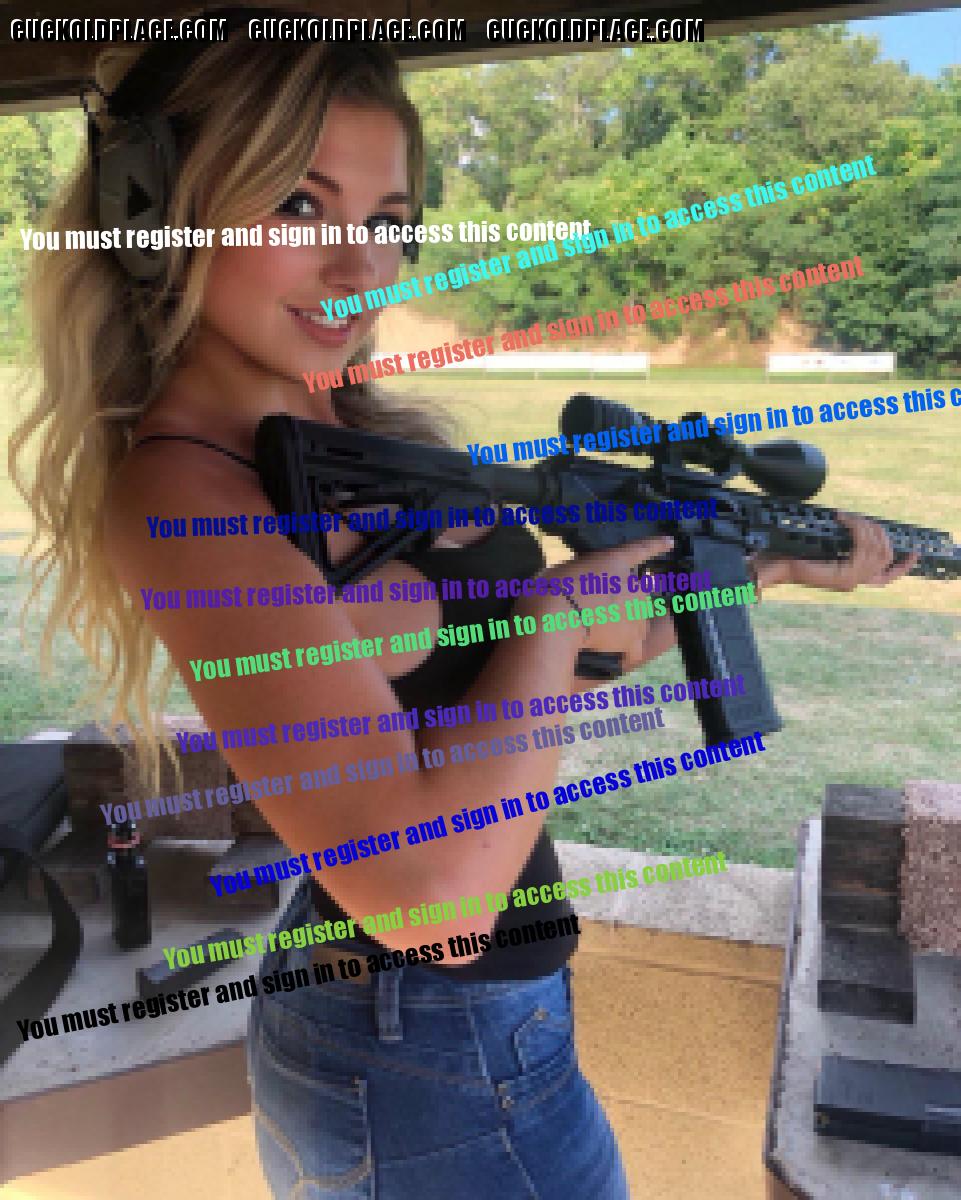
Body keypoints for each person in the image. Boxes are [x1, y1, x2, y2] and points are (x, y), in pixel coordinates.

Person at [10, 23, 917, 1200]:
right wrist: (549, 617)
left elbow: (529, 678)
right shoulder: (190, 487)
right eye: (298, 205)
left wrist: (762, 570)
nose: (363, 267)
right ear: (151, 214)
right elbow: (429, 905)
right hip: (422, 1040)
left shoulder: (347, 430)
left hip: (445, 1032)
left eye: (390, 220)